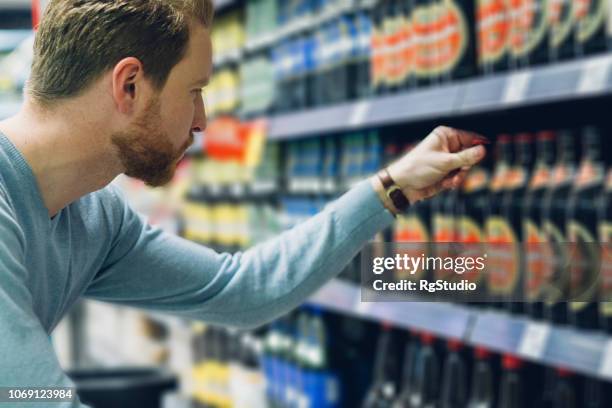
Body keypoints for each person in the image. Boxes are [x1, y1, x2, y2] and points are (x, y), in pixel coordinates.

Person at [0, 0, 486, 404]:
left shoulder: (94, 217)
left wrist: (389, 188)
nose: (202, 120)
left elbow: (241, 290)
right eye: (194, 91)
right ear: (129, 85)